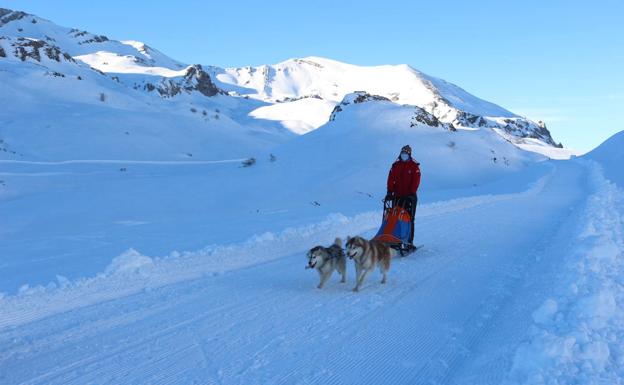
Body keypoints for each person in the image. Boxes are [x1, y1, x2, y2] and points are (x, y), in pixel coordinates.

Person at [385, 145, 421, 244]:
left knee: (409, 219)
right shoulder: (395, 165)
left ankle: (409, 241)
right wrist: (389, 191)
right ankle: (394, 238)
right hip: (397, 196)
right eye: (402, 153)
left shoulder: (414, 166)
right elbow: (391, 179)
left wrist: (412, 192)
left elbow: (416, 181)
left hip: (410, 197)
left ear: (409, 154)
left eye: (406, 154)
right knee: (395, 217)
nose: (404, 155)